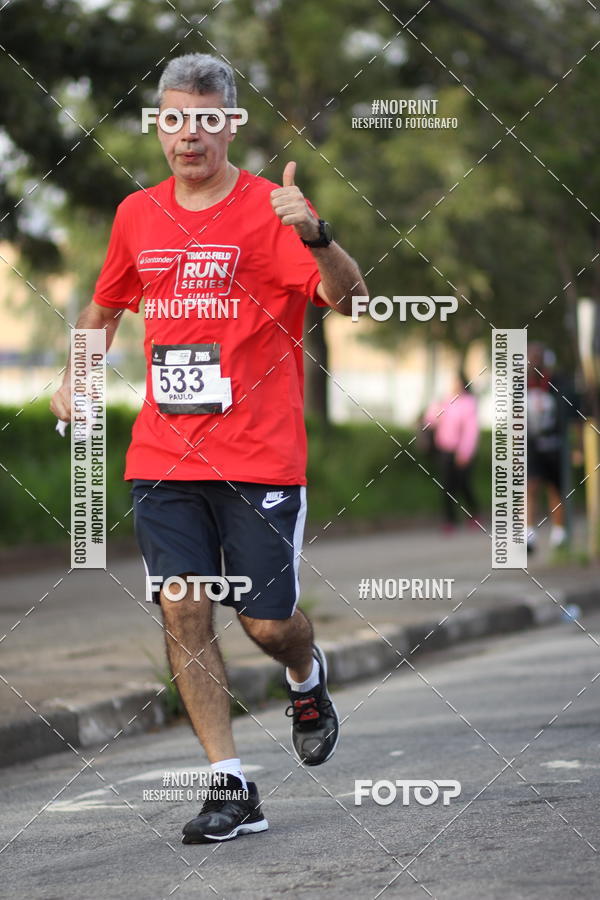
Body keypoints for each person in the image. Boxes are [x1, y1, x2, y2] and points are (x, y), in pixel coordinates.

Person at [50, 53, 368, 844]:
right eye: (172, 118)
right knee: (182, 605)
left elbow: (350, 297)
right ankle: (230, 786)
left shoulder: (274, 210)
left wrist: (319, 236)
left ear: (230, 124)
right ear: (158, 126)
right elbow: (101, 312)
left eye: (204, 118)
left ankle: (305, 676)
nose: (187, 134)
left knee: (268, 626)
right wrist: (73, 378)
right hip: (164, 456)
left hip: (260, 457)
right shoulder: (136, 215)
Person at [526, 342, 573, 552]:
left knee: (555, 489)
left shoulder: (557, 383)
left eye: (538, 357)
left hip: (554, 445)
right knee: (530, 487)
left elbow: (569, 415)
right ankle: (528, 534)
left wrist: (575, 447)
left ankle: (559, 533)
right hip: (532, 445)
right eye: (531, 357)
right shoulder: (521, 385)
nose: (534, 361)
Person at [424, 371, 480, 531]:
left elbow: (471, 431)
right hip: (445, 449)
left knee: (463, 484)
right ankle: (449, 519)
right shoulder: (445, 401)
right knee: (447, 486)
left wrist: (465, 453)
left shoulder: (469, 403)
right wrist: (435, 407)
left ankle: (473, 513)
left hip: (462, 451)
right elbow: (431, 419)